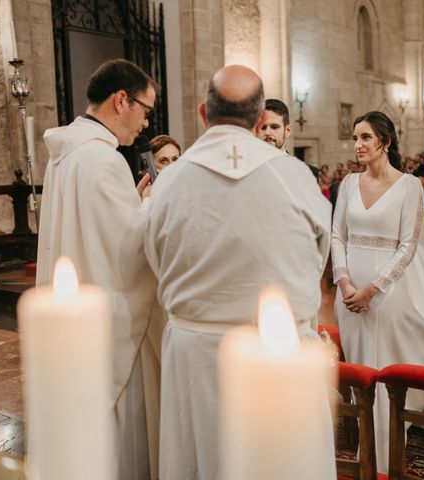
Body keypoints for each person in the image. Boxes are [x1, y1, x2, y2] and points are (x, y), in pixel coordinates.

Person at [145, 65, 335, 480]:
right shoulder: (295, 177)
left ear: (202, 113)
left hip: (197, 358)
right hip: (281, 352)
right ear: (258, 119)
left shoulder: (170, 181)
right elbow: (318, 258)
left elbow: (155, 259)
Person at [37, 59, 164, 480]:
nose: (146, 124)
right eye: (146, 110)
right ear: (121, 99)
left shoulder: (64, 154)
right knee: (121, 436)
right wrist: (154, 209)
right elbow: (130, 253)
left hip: (75, 312)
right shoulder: (104, 160)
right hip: (109, 317)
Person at [331, 110, 424, 472]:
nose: (358, 145)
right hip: (348, 295)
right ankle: (366, 453)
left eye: (365, 138)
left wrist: (373, 288)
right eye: (355, 138)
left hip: (386, 294)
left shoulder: (408, 186)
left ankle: (384, 459)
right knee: (362, 374)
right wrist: (345, 282)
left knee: (384, 376)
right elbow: (337, 236)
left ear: (385, 143)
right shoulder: (348, 184)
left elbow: (407, 246)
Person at [258, 97, 320, 180]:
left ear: (287, 130)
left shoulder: (309, 173)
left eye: (274, 127)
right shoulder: (245, 170)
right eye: (263, 127)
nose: (267, 132)